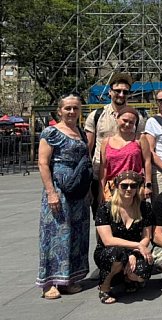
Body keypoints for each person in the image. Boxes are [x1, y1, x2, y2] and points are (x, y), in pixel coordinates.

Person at [37, 93, 91, 299]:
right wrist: (51, 192)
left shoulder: (81, 132)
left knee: (77, 233)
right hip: (59, 187)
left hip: (79, 189)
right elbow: (43, 163)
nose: (71, 112)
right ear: (60, 110)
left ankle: (68, 279)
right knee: (56, 233)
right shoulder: (51, 132)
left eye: (75, 108)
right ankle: (50, 282)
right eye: (67, 108)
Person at [86, 72, 146, 213]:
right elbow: (87, 149)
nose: (121, 94)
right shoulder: (96, 115)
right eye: (117, 91)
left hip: (131, 180)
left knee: (132, 219)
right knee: (103, 220)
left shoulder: (138, 118)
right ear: (110, 91)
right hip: (101, 176)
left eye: (125, 91)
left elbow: (144, 150)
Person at [94, 171, 154, 304]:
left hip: (135, 251)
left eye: (133, 186)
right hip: (109, 252)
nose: (129, 189)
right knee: (117, 254)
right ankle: (105, 287)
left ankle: (128, 278)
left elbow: (146, 236)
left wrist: (134, 252)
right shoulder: (105, 209)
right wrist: (136, 246)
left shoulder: (145, 207)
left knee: (142, 273)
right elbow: (108, 241)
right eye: (124, 185)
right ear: (116, 186)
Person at [98, 106, 153, 203]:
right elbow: (104, 168)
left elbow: (147, 161)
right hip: (113, 188)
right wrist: (101, 190)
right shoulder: (106, 142)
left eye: (131, 122)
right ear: (117, 118)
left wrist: (148, 184)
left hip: (134, 187)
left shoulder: (140, 139)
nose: (127, 124)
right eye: (125, 120)